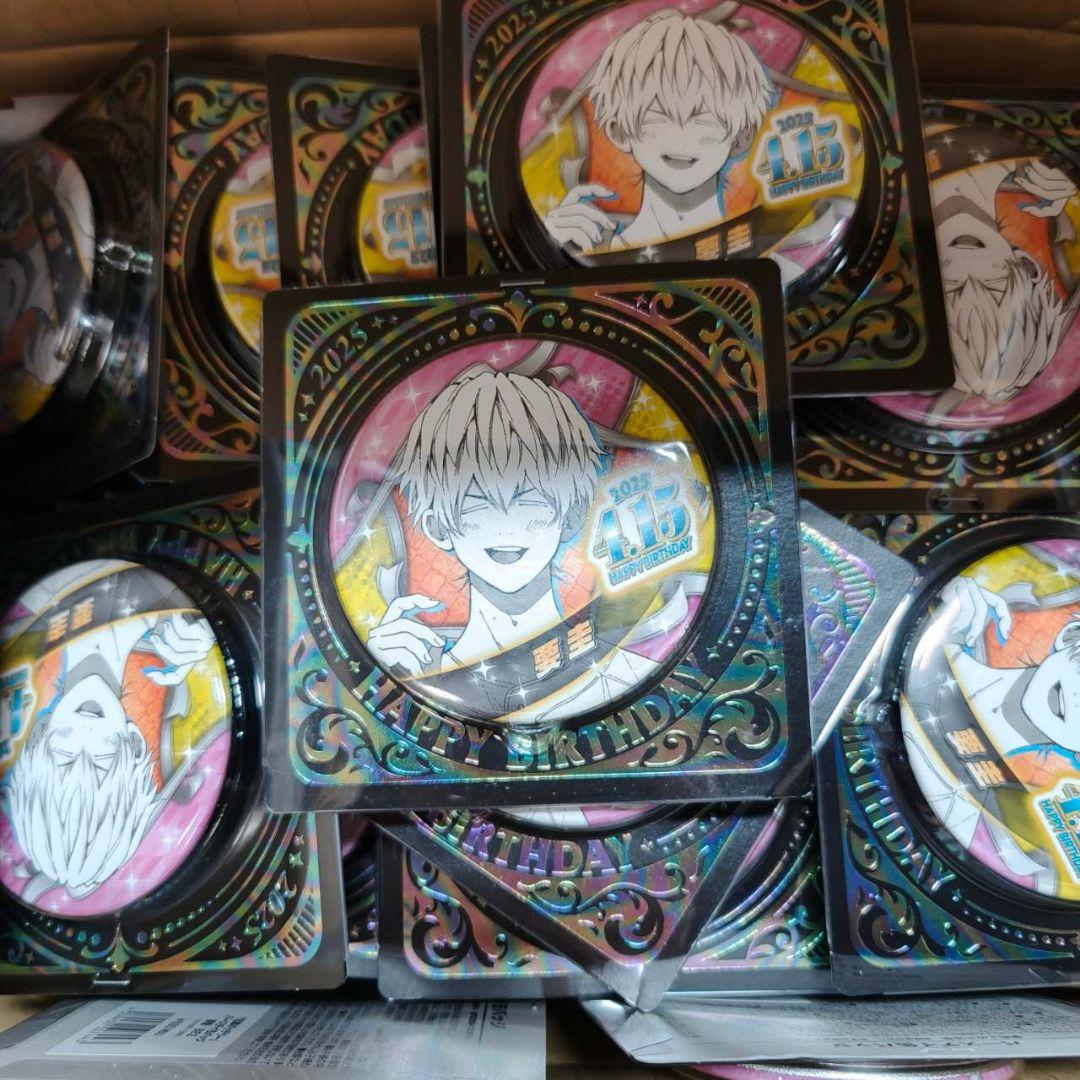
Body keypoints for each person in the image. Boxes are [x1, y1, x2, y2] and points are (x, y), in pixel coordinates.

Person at [363, 364, 659, 727]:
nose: (505, 525)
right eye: (476, 502)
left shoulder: (628, 673)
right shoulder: (419, 675)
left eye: (530, 497)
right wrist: (382, 688)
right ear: (438, 527)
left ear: (571, 515)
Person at [3, 570, 220, 903]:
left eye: (63, 754)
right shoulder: (180, 644)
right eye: (103, 760)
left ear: (41, 733)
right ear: (133, 742)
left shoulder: (22, 627)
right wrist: (199, 631)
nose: (85, 734)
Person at [542, 9, 773, 254]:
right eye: (658, 116)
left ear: (741, 138)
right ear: (619, 132)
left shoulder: (769, 246)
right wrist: (551, 246)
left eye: (703, 119)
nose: (681, 138)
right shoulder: (593, 244)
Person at [931, 156, 1079, 409]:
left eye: (949, 289)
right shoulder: (1043, 199)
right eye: (993, 287)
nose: (967, 273)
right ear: (1027, 266)